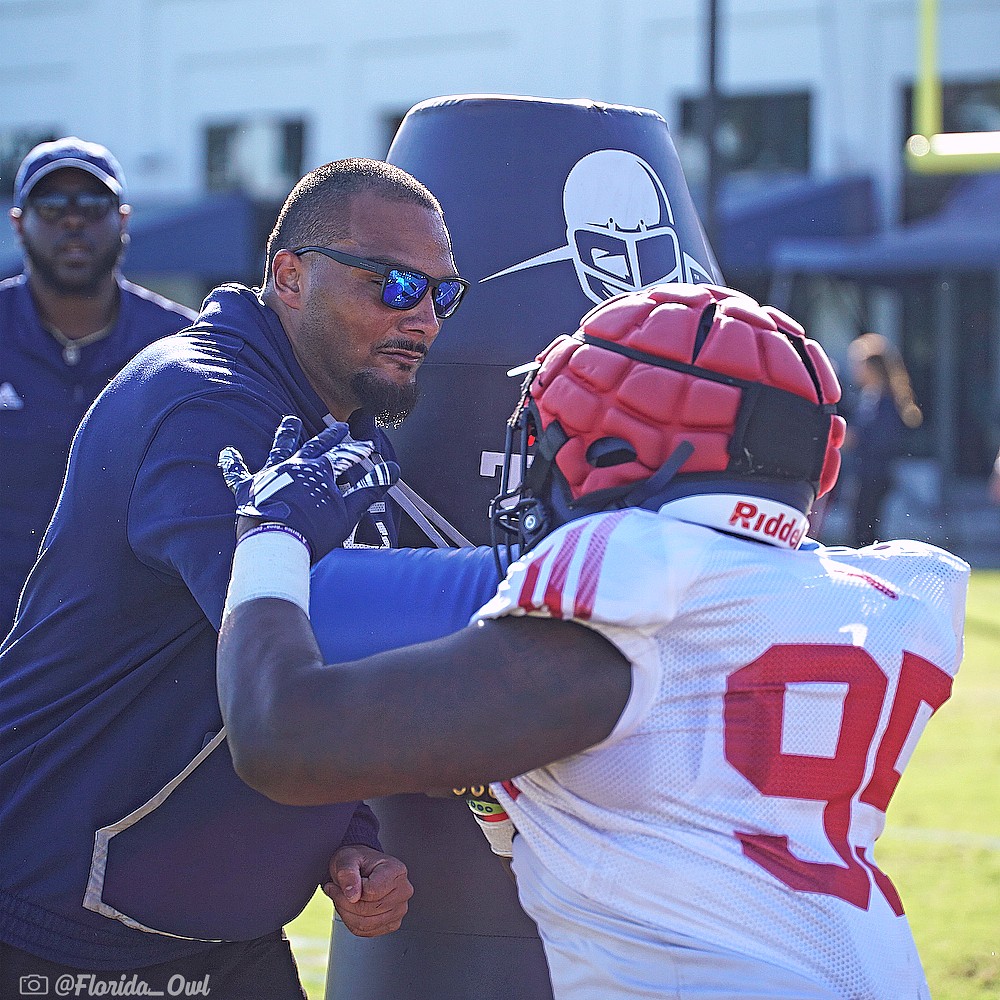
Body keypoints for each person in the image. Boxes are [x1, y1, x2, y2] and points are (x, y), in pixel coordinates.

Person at [218, 283, 969, 1000]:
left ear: (617, 454)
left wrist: (272, 533)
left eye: (559, 436)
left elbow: (280, 736)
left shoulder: (634, 567)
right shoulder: (882, 593)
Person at [0, 157, 467, 998]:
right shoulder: (204, 400)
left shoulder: (340, 424)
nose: (425, 319)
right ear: (290, 275)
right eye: (396, 286)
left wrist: (348, 831)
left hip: (225, 929)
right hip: (64, 923)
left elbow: (324, 689)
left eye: (443, 294)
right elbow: (300, 644)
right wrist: (569, 589)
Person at [0, 136, 197, 636]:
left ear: (123, 220)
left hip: (128, 646)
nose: (73, 221)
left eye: (93, 204)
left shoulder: (182, 344)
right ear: (18, 223)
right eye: (51, 206)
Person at [844, 332, 923, 547]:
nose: (855, 369)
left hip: (874, 475)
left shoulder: (885, 402)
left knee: (865, 534)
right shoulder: (868, 397)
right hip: (864, 474)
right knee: (859, 531)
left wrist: (854, 439)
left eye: (858, 364)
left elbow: (882, 440)